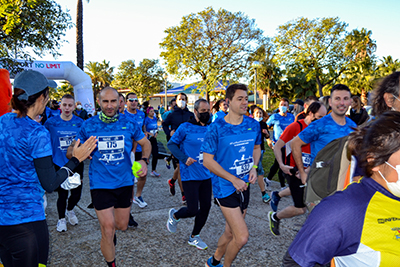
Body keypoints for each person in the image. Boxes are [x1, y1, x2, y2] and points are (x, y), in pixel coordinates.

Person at [0, 69, 96, 267]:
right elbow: (50, 184)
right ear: (43, 97)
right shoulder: (37, 133)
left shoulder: (2, 121)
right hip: (27, 223)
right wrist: (75, 160)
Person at [282, 111, 400, 266]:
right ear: (375, 160)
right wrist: (302, 172)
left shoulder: (350, 123)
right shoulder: (343, 210)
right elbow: (295, 262)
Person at [67, 87, 150, 267]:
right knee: (108, 228)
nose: (110, 105)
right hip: (100, 184)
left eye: (113, 101)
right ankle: (111, 262)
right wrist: (77, 152)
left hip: (124, 182)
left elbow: (146, 143)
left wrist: (144, 160)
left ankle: (110, 240)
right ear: (99, 102)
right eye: (106, 101)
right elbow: (70, 150)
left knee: (121, 225)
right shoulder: (89, 125)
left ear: (119, 102)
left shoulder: (129, 124)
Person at [202, 84, 261, 267]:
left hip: (244, 186)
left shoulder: (253, 124)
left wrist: (254, 167)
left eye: (246, 98)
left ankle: (214, 261)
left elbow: (257, 148)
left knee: (230, 232)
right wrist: (233, 179)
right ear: (228, 102)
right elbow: (208, 161)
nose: (245, 102)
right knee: (241, 237)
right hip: (225, 187)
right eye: (240, 98)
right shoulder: (216, 128)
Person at [268, 102, 327, 236]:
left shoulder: (319, 130)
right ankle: (275, 217)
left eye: (324, 117)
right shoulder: (295, 127)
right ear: (310, 113)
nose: (322, 121)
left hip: (309, 170)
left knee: (316, 201)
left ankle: (277, 195)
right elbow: (277, 147)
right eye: (319, 117)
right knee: (300, 209)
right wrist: (282, 165)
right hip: (293, 171)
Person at [166, 99, 213, 250]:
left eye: (208, 111)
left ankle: (194, 236)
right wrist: (184, 158)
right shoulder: (185, 127)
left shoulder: (210, 129)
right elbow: (171, 144)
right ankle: (175, 216)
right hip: (189, 175)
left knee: (206, 207)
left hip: (206, 175)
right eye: (203, 111)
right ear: (196, 112)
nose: (206, 114)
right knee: (193, 210)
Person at [291, 84, 357, 186]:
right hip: (320, 182)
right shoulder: (319, 125)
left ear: (350, 102)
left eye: (345, 98)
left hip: (343, 182)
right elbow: (295, 143)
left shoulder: (352, 125)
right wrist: (303, 173)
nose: (342, 103)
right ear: (330, 102)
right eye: (337, 99)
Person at [44, 94, 85, 232]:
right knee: (62, 194)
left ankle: (70, 210)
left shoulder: (80, 122)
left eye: (70, 105)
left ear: (74, 106)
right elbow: (44, 142)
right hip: (59, 163)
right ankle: (61, 219)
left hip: (76, 162)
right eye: (64, 105)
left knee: (76, 194)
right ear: (60, 106)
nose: (67, 108)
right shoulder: (50, 123)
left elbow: (85, 141)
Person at [162, 92, 194, 204]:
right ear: (176, 100)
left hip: (188, 145)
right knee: (180, 167)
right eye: (180, 99)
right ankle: (184, 194)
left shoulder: (190, 114)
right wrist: (169, 132)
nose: (182, 101)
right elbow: (164, 124)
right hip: (176, 145)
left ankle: (172, 181)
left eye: (184, 99)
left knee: (181, 166)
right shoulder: (171, 114)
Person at [124, 92, 148, 209]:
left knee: (142, 174)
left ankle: (138, 196)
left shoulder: (141, 114)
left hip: (140, 149)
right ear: (126, 102)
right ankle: (126, 198)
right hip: (127, 151)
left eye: (136, 100)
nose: (134, 102)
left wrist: (145, 133)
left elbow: (143, 128)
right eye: (131, 100)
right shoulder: (122, 115)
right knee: (128, 176)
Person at [266, 98, 295, 189]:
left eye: (285, 105)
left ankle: (267, 180)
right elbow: (265, 127)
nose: (283, 106)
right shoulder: (274, 117)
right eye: (281, 104)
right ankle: (282, 186)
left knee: (278, 164)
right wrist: (268, 139)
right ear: (279, 106)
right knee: (281, 163)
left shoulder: (291, 117)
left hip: (288, 145)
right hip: (278, 144)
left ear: (288, 107)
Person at [253, 106, 271, 203]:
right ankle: (264, 193)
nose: (259, 115)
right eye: (257, 113)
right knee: (260, 170)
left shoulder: (263, 124)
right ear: (253, 115)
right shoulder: (250, 123)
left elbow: (267, 135)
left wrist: (267, 135)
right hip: (251, 151)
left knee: (257, 170)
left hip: (261, 149)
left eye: (260, 113)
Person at [144, 106, 160, 177]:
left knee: (155, 154)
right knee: (146, 155)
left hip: (154, 138)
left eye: (153, 111)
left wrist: (156, 133)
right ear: (148, 112)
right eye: (151, 111)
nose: (153, 112)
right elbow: (144, 129)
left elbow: (156, 127)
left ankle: (154, 170)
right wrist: (148, 133)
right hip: (148, 139)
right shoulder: (146, 119)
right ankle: (143, 169)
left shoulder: (155, 119)